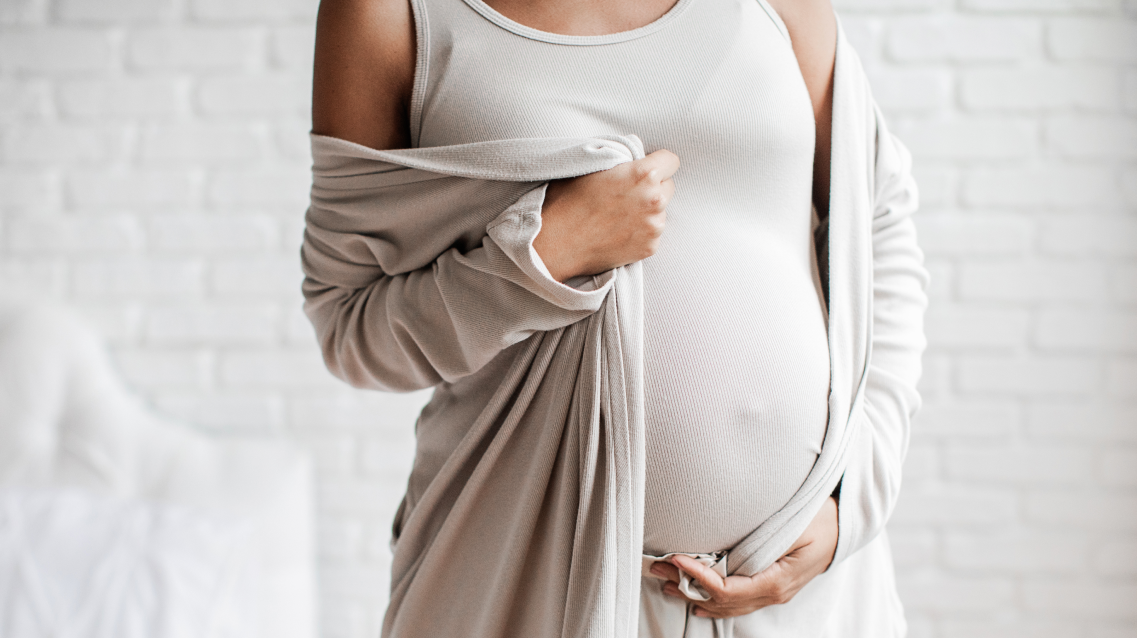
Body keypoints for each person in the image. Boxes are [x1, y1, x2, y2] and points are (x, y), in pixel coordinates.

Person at [306, 0, 926, 635]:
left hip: (803, 601)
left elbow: (874, 226)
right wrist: (544, 255)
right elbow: (348, 325)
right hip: (518, 588)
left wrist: (854, 497)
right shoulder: (389, 14)